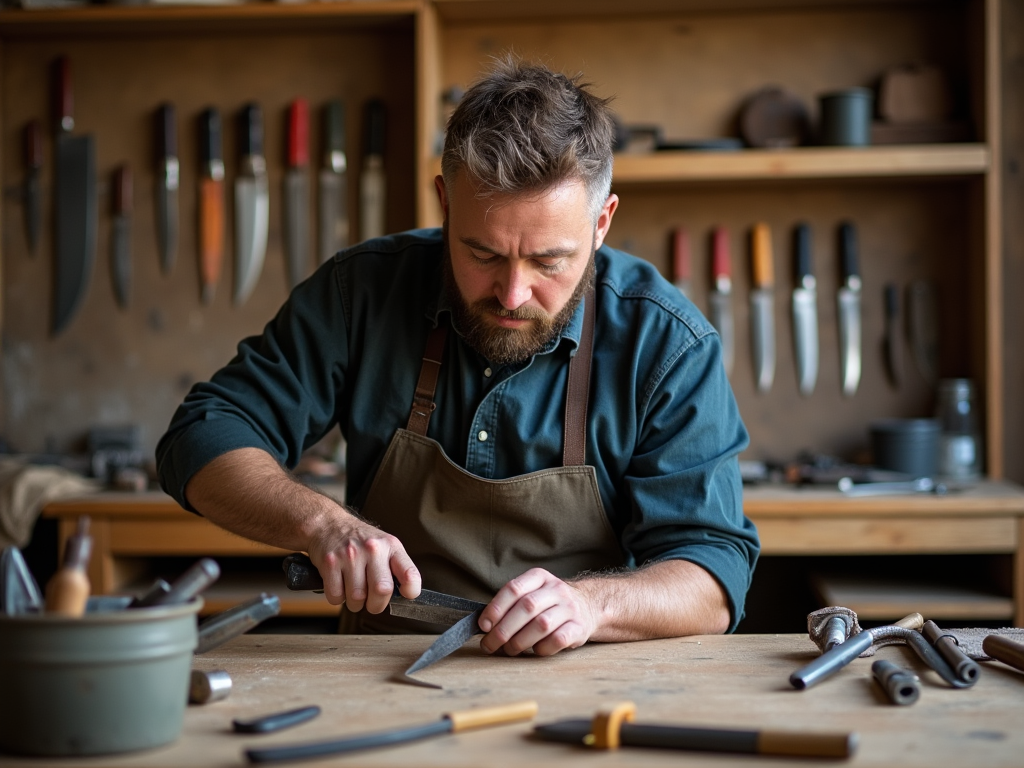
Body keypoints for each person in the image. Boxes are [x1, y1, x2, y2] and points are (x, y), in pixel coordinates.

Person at [157, 57, 759, 658]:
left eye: (549, 262)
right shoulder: (360, 294)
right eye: (483, 254)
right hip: (377, 668)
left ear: (602, 223)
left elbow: (712, 574)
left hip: (584, 673)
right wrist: (320, 524)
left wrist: (591, 605)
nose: (512, 293)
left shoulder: (667, 344)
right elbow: (202, 438)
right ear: (444, 200)